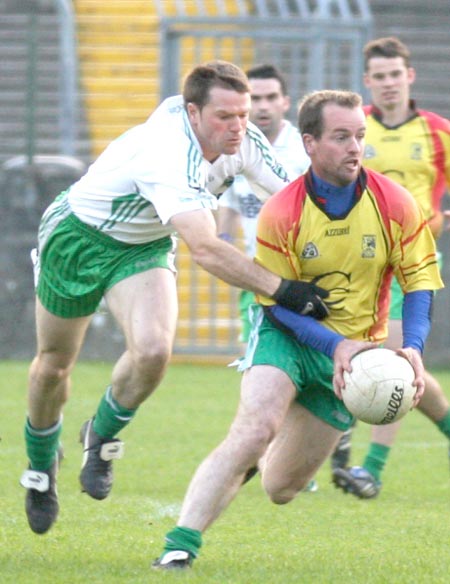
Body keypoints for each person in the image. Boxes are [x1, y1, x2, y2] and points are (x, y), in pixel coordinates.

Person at [19, 60, 332, 535]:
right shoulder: (169, 153)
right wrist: (285, 290)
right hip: (80, 238)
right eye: (224, 116)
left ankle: (100, 435)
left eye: (243, 114)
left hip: (142, 247)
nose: (238, 126)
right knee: (54, 364)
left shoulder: (242, 140)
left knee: (153, 351)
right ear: (192, 113)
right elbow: (206, 249)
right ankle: (41, 467)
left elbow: (295, 195)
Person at [153, 89, 443, 570]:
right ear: (309, 143)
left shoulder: (395, 204)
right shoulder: (283, 210)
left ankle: (268, 449)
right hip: (288, 336)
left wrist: (411, 347)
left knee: (280, 489)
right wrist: (335, 344)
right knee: (253, 429)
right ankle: (180, 544)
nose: (355, 147)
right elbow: (276, 301)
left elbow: (420, 285)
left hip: (359, 354)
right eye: (340, 137)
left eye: (359, 136)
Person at [331, 37, 450, 499]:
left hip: (412, 266)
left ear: (410, 76)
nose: (387, 84)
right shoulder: (356, 131)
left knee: (396, 360)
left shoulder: (438, 133)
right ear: (367, 82)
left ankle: (371, 470)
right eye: (378, 77)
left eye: (394, 74)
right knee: (405, 369)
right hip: (360, 267)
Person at [217, 63, 310, 347]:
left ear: (285, 102)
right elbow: (231, 202)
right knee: (256, 367)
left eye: (271, 97)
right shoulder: (233, 148)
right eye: (255, 99)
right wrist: (223, 240)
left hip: (305, 277)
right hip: (257, 278)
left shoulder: (304, 151)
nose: (263, 106)